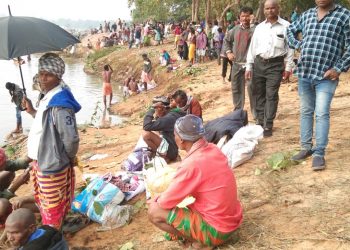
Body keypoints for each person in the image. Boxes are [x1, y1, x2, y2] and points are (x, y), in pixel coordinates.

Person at [148, 115, 243, 249]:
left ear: (180, 140)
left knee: (155, 211)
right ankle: (201, 238)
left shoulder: (191, 165)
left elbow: (165, 202)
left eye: (174, 135)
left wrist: (155, 199)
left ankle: (200, 242)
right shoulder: (212, 149)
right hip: (231, 220)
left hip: (218, 229)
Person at [287, 0, 350, 170]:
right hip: (305, 73)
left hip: (326, 76)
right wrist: (298, 44)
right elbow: (290, 30)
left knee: (321, 113)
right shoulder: (307, 15)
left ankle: (319, 153)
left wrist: (339, 68)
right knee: (306, 111)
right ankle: (306, 148)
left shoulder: (344, 15)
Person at [22, 53, 81, 230]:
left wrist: (68, 157)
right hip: (42, 161)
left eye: (48, 74)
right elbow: (46, 126)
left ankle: (53, 237)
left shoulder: (60, 103)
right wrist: (32, 111)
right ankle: (54, 229)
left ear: (58, 76)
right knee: (46, 201)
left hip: (52, 163)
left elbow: (70, 139)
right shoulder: (47, 96)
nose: (42, 78)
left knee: (53, 205)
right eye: (41, 73)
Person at [245, 0, 294, 137]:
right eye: (267, 8)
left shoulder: (286, 26)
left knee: (271, 95)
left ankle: (268, 124)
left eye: (273, 8)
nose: (270, 11)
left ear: (278, 9)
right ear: (264, 10)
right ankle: (260, 122)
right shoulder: (259, 27)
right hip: (259, 63)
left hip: (275, 65)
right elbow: (252, 48)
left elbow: (290, 49)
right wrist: (249, 66)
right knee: (258, 94)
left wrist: (288, 66)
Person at [222, 7, 256, 120]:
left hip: (251, 66)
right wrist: (228, 52)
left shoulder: (256, 30)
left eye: (247, 16)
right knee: (236, 89)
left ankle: (257, 116)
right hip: (236, 65)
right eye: (243, 16)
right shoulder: (235, 30)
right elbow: (226, 41)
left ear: (252, 16)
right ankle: (238, 115)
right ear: (239, 17)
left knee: (252, 89)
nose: (245, 18)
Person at [142, 96, 185, 163]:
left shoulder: (166, 119)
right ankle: (164, 154)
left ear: (160, 108)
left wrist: (151, 109)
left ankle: (164, 157)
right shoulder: (172, 113)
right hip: (175, 145)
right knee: (154, 130)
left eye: (156, 110)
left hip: (172, 151)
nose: (155, 113)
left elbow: (146, 126)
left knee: (146, 134)